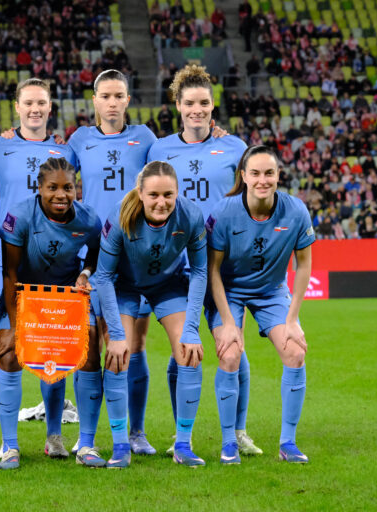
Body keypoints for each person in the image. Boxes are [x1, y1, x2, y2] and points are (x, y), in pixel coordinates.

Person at [147, 64, 262, 457]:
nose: (197, 110)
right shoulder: (159, 150)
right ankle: (184, 435)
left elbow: (248, 200)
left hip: (222, 263)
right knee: (183, 347)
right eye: (190, 103)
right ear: (178, 106)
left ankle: (239, 430)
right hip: (174, 262)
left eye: (204, 103)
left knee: (233, 345)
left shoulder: (234, 147)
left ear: (213, 106)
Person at [0, 79, 78, 460]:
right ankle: (7, 442)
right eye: (29, 103)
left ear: (50, 107)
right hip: (9, 264)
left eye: (41, 103)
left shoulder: (65, 150)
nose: (35, 109)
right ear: (17, 107)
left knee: (52, 354)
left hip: (54, 267)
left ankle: (54, 437)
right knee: (7, 350)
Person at [67, 69, 159, 457]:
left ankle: (135, 432)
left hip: (135, 255)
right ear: (94, 101)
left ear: (127, 100)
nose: (112, 102)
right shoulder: (79, 140)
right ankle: (86, 435)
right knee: (88, 347)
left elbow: (165, 177)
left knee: (133, 345)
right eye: (105, 96)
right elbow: (55, 176)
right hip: (92, 253)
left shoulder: (146, 138)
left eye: (119, 95)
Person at [94, 161, 208, 467]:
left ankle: (183, 444)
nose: (161, 202)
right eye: (154, 195)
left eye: (168, 195)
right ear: (140, 193)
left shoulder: (191, 216)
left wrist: (192, 329)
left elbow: (200, 271)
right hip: (124, 286)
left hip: (168, 284)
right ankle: (121, 446)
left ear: (177, 193)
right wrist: (117, 334)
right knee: (118, 355)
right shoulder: (120, 216)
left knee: (189, 353)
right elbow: (102, 277)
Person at [206, 145, 314, 464]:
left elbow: (304, 264)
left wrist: (293, 319)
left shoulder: (296, 211)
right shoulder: (224, 212)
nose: (262, 180)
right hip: (228, 291)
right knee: (230, 354)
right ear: (244, 176)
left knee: (295, 352)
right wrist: (228, 323)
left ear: (279, 175)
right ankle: (229, 442)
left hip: (271, 292)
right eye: (255, 173)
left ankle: (288, 443)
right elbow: (212, 269)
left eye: (269, 173)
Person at [0, 157, 102, 469]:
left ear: (76, 188)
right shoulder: (19, 216)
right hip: (24, 295)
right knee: (10, 354)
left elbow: (96, 256)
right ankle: (10, 445)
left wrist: (85, 273)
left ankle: (79, 442)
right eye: (52, 187)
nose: (61, 195)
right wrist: (15, 327)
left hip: (65, 298)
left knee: (87, 351)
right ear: (39, 188)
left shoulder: (89, 220)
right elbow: (9, 272)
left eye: (68, 187)